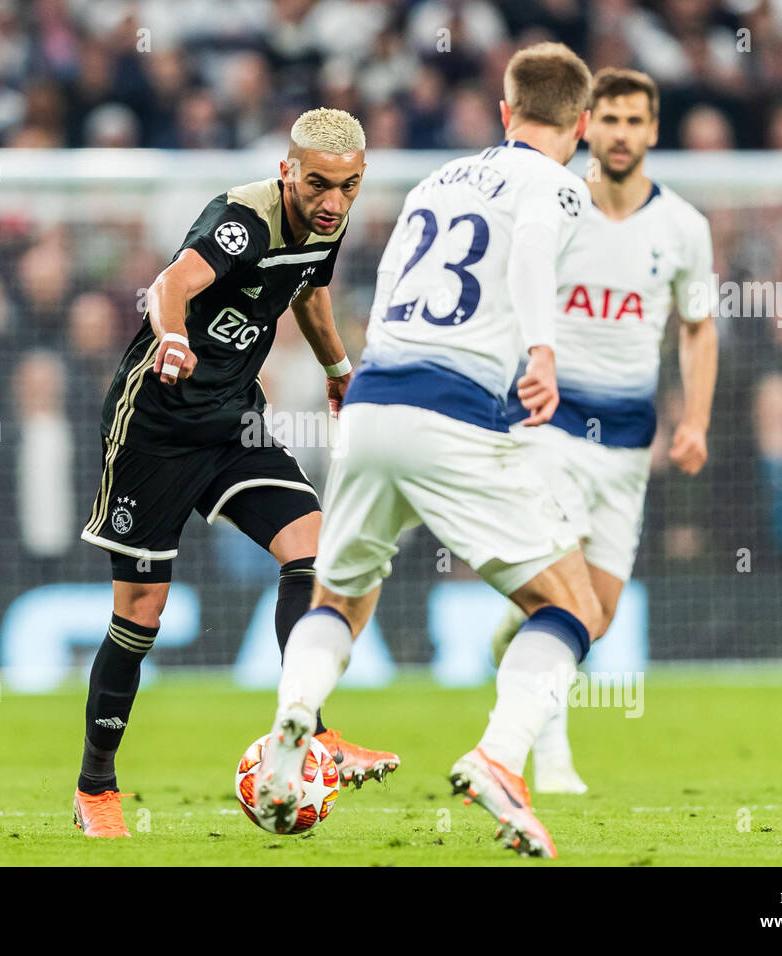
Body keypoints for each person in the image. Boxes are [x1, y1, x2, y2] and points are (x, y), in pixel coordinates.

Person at [253, 43, 601, 857]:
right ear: (581, 125)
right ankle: (500, 759)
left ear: (506, 113)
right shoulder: (559, 185)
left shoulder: (435, 180)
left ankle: (294, 715)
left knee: (338, 602)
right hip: (453, 412)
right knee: (568, 609)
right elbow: (526, 253)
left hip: (372, 403)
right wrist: (542, 352)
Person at [74, 107, 399, 839]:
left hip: (233, 423)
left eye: (348, 188)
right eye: (318, 184)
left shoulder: (329, 221)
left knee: (315, 554)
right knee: (140, 616)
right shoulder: (240, 220)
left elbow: (310, 292)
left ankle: (312, 733)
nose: (332, 201)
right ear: (288, 170)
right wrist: (173, 338)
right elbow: (168, 285)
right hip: (154, 430)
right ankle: (96, 786)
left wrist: (338, 369)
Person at [488, 68, 718, 794]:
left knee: (600, 614)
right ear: (587, 125)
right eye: (608, 119)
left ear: (653, 130)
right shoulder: (556, 206)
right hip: (546, 426)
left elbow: (698, 325)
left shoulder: (684, 227)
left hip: (627, 443)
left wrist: (696, 421)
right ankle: (549, 760)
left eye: (634, 121)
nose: (620, 133)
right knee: (570, 599)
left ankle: (511, 647)